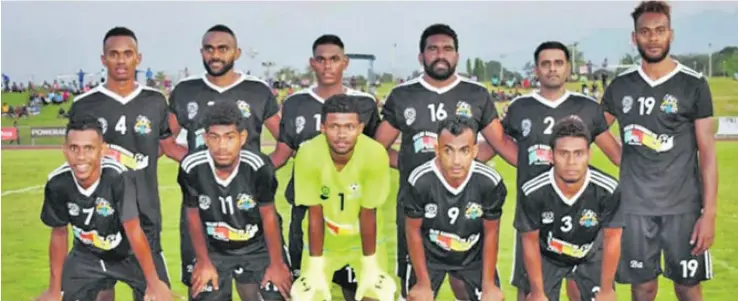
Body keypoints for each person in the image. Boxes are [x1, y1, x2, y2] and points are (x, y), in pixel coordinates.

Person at [373, 23, 517, 301]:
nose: (441, 54)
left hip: (469, 211)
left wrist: (467, 162)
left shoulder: (477, 94)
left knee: (475, 291)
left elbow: (499, 144)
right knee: (417, 292)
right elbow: (378, 149)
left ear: (457, 55)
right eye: (433, 49)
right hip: (417, 209)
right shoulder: (403, 95)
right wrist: (410, 166)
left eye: (447, 49)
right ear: (421, 56)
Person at [602, 2, 717, 300]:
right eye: (645, 31)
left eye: (659, 31)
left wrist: (710, 213)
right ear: (634, 37)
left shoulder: (693, 84)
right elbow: (595, 128)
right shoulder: (621, 85)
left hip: (684, 208)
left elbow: (707, 155)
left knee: (688, 287)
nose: (653, 38)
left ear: (671, 34)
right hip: (635, 207)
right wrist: (621, 156)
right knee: (643, 288)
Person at [167, 24, 281, 299]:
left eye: (222, 48)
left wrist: (257, 171)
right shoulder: (185, 91)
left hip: (249, 209)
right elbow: (166, 142)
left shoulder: (257, 90)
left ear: (236, 52)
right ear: (202, 52)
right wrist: (204, 166)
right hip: (203, 208)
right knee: (205, 288)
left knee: (260, 291)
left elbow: (285, 141)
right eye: (209, 48)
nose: (215, 54)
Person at [501, 41, 621, 301]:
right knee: (532, 294)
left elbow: (616, 154)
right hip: (535, 212)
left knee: (580, 291)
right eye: (545, 64)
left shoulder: (587, 107)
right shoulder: (520, 107)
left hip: (581, 213)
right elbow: (497, 144)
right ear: (536, 70)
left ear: (568, 68)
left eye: (558, 63)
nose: (552, 69)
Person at [68, 26, 179, 301]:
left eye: (127, 54)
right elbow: (77, 156)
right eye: (114, 54)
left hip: (145, 217)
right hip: (97, 219)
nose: (121, 60)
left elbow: (165, 148)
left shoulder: (155, 101)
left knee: (156, 294)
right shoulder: (84, 104)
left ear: (138, 58)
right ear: (103, 59)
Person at [270, 34, 381, 300]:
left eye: (334, 59)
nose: (327, 65)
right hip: (306, 210)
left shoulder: (364, 103)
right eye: (321, 59)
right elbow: (283, 152)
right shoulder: (296, 103)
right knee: (307, 290)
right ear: (312, 63)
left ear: (345, 63)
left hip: (352, 213)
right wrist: (248, 172)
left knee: (358, 291)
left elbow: (379, 152)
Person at [36, 115, 172, 301]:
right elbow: (59, 234)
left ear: (102, 150)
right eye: (74, 148)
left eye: (89, 148)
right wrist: (54, 289)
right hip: (87, 255)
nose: (81, 156)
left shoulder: (119, 178)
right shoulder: (57, 183)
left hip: (129, 254)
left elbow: (134, 232)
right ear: (65, 150)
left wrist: (154, 283)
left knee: (161, 297)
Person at [178, 101, 292, 301]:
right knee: (204, 294)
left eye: (229, 137)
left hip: (258, 245)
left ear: (242, 137)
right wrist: (203, 262)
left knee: (278, 293)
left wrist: (276, 264)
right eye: (214, 137)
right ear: (205, 138)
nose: (222, 146)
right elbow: (193, 217)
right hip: (214, 247)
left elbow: (269, 217)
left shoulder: (258, 166)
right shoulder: (192, 166)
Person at [290, 95, 395, 301]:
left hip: (364, 239)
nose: (341, 134)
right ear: (323, 128)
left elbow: (368, 212)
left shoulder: (374, 153)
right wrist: (316, 266)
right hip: (325, 240)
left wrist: (370, 264)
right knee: (310, 295)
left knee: (374, 295)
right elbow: (315, 214)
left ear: (360, 128)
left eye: (349, 126)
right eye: (334, 126)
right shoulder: (308, 153)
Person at [515, 116, 622, 301]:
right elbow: (530, 242)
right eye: (563, 153)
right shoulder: (533, 191)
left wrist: (606, 289)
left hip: (590, 253)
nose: (571, 161)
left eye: (578, 153)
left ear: (589, 154)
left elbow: (612, 239)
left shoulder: (608, 189)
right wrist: (538, 292)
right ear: (551, 155)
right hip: (547, 256)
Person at [404, 118, 507, 301]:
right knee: (418, 297)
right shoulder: (420, 180)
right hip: (430, 257)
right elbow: (413, 231)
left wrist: (489, 284)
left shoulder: (489, 181)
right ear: (437, 150)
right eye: (448, 151)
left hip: (473, 256)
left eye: (464, 151)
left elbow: (491, 232)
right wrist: (422, 284)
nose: (456, 160)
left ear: (475, 151)